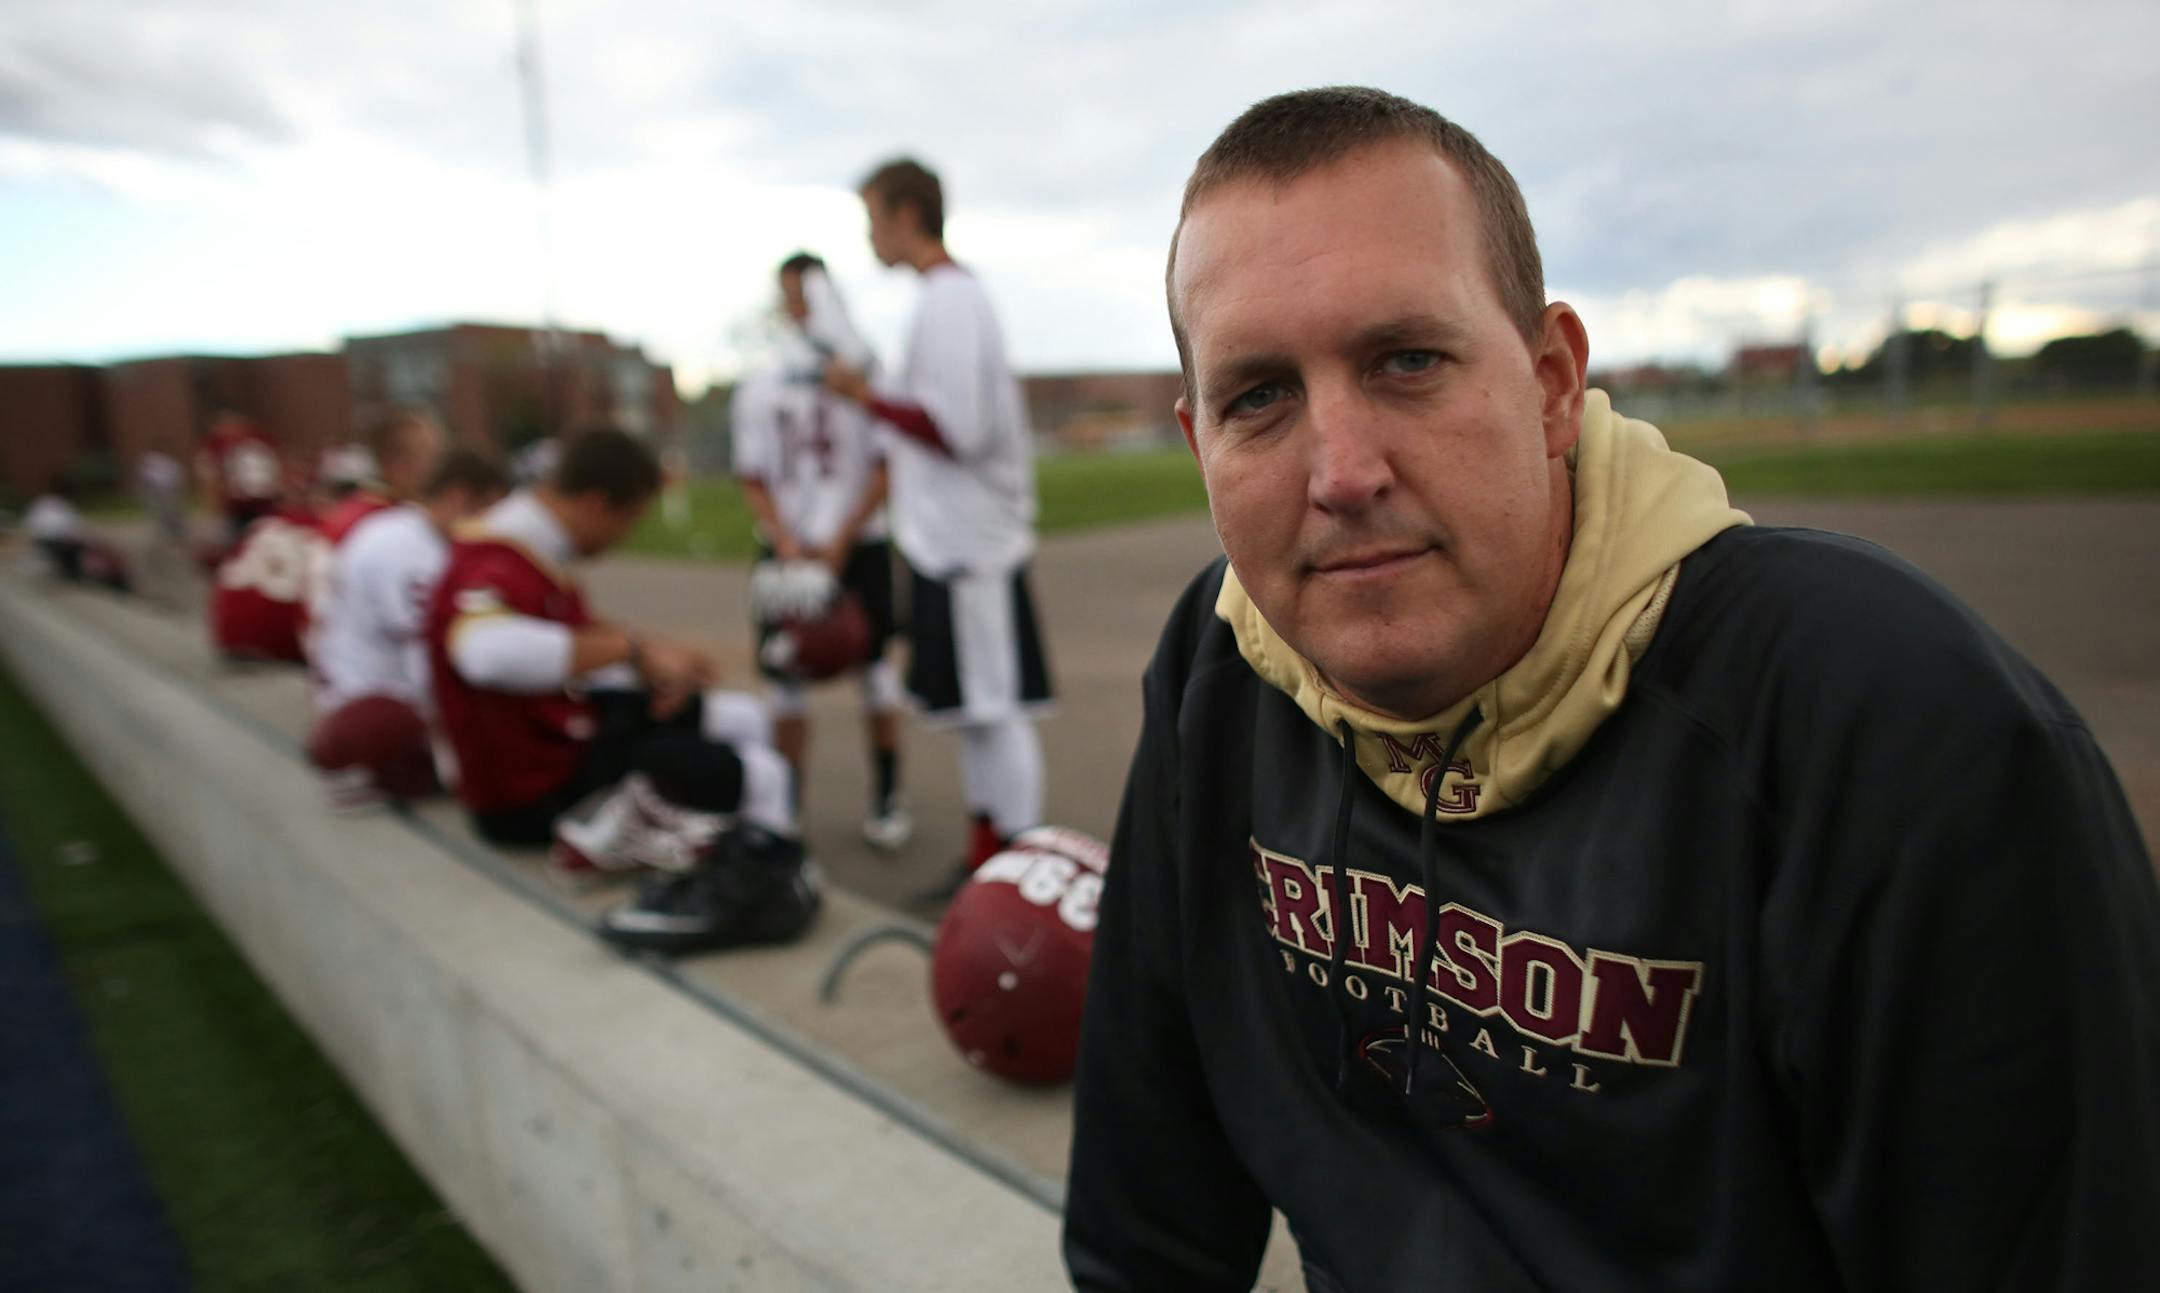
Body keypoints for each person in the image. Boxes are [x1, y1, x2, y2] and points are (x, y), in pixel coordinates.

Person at [1063, 87, 2160, 1291]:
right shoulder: (1221, 671)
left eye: (1408, 360)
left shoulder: (1891, 725)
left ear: (1547, 383)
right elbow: (1147, 1218)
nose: (1343, 471)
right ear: (1198, 442)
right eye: (1259, 396)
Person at [424, 427, 817, 952]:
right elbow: (484, 654)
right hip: (530, 791)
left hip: (558, 741)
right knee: (760, 772)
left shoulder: (525, 540)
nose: (626, 536)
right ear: (593, 502)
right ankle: (752, 890)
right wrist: (631, 651)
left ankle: (753, 861)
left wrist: (655, 659)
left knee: (742, 715)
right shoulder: (496, 555)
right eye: (629, 518)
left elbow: (574, 636)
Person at [824, 158, 1053, 894]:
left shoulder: (951, 298)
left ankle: (1017, 867)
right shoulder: (940, 297)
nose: (868, 236)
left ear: (904, 214)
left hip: (969, 539)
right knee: (972, 709)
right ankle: (991, 854)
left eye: (873, 219)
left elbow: (957, 427)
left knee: (995, 704)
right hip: (951, 537)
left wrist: (865, 395)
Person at [737, 251, 911, 850]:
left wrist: (839, 537)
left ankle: (887, 798)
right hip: (787, 550)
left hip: (855, 545)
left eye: (808, 293)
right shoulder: (762, 382)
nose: (798, 306)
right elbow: (752, 474)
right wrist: (788, 540)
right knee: (783, 678)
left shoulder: (865, 375)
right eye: (791, 294)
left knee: (876, 676)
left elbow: (888, 465)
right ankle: (785, 808)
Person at [306, 447, 506, 808]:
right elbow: (429, 660)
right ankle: (376, 768)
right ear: (458, 496)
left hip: (362, 690)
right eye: (487, 508)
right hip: (376, 708)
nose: (492, 523)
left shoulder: (402, 529)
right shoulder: (406, 549)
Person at [195, 410, 283, 545]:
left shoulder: (252, 443)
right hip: (243, 501)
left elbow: (271, 467)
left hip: (256, 499)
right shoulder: (221, 446)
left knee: (259, 533)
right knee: (244, 536)